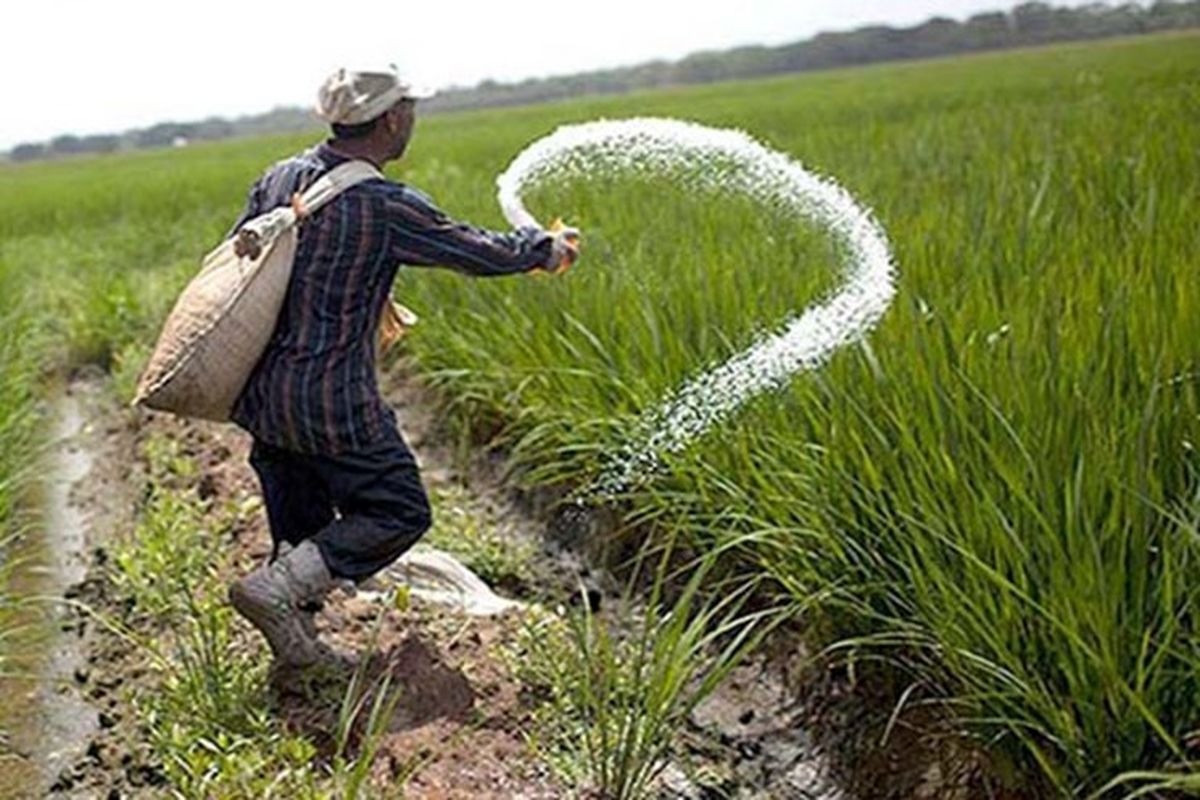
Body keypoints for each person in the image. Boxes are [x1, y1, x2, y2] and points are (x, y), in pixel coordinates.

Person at [226, 66, 579, 668]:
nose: (412, 118)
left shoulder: (281, 177)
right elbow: (475, 250)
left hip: (265, 396)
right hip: (333, 401)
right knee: (397, 510)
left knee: (301, 517)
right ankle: (278, 592)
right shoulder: (382, 204)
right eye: (409, 108)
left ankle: (297, 649)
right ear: (392, 118)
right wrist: (545, 250)